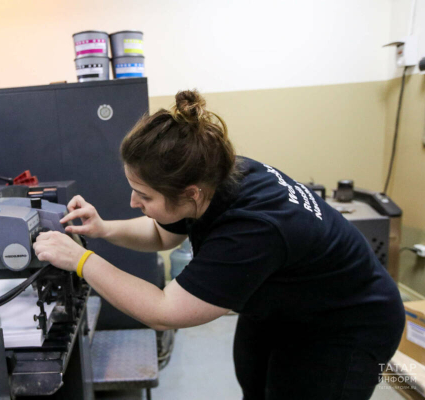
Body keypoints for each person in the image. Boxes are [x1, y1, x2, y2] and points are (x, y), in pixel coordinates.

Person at [32, 90, 405, 399]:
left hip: (349, 323)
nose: (133, 203)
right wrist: (103, 229)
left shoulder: (251, 230)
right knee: (254, 381)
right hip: (287, 305)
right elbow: (163, 234)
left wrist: (82, 261)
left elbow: (163, 310)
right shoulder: (211, 171)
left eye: (143, 195)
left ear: (191, 194)